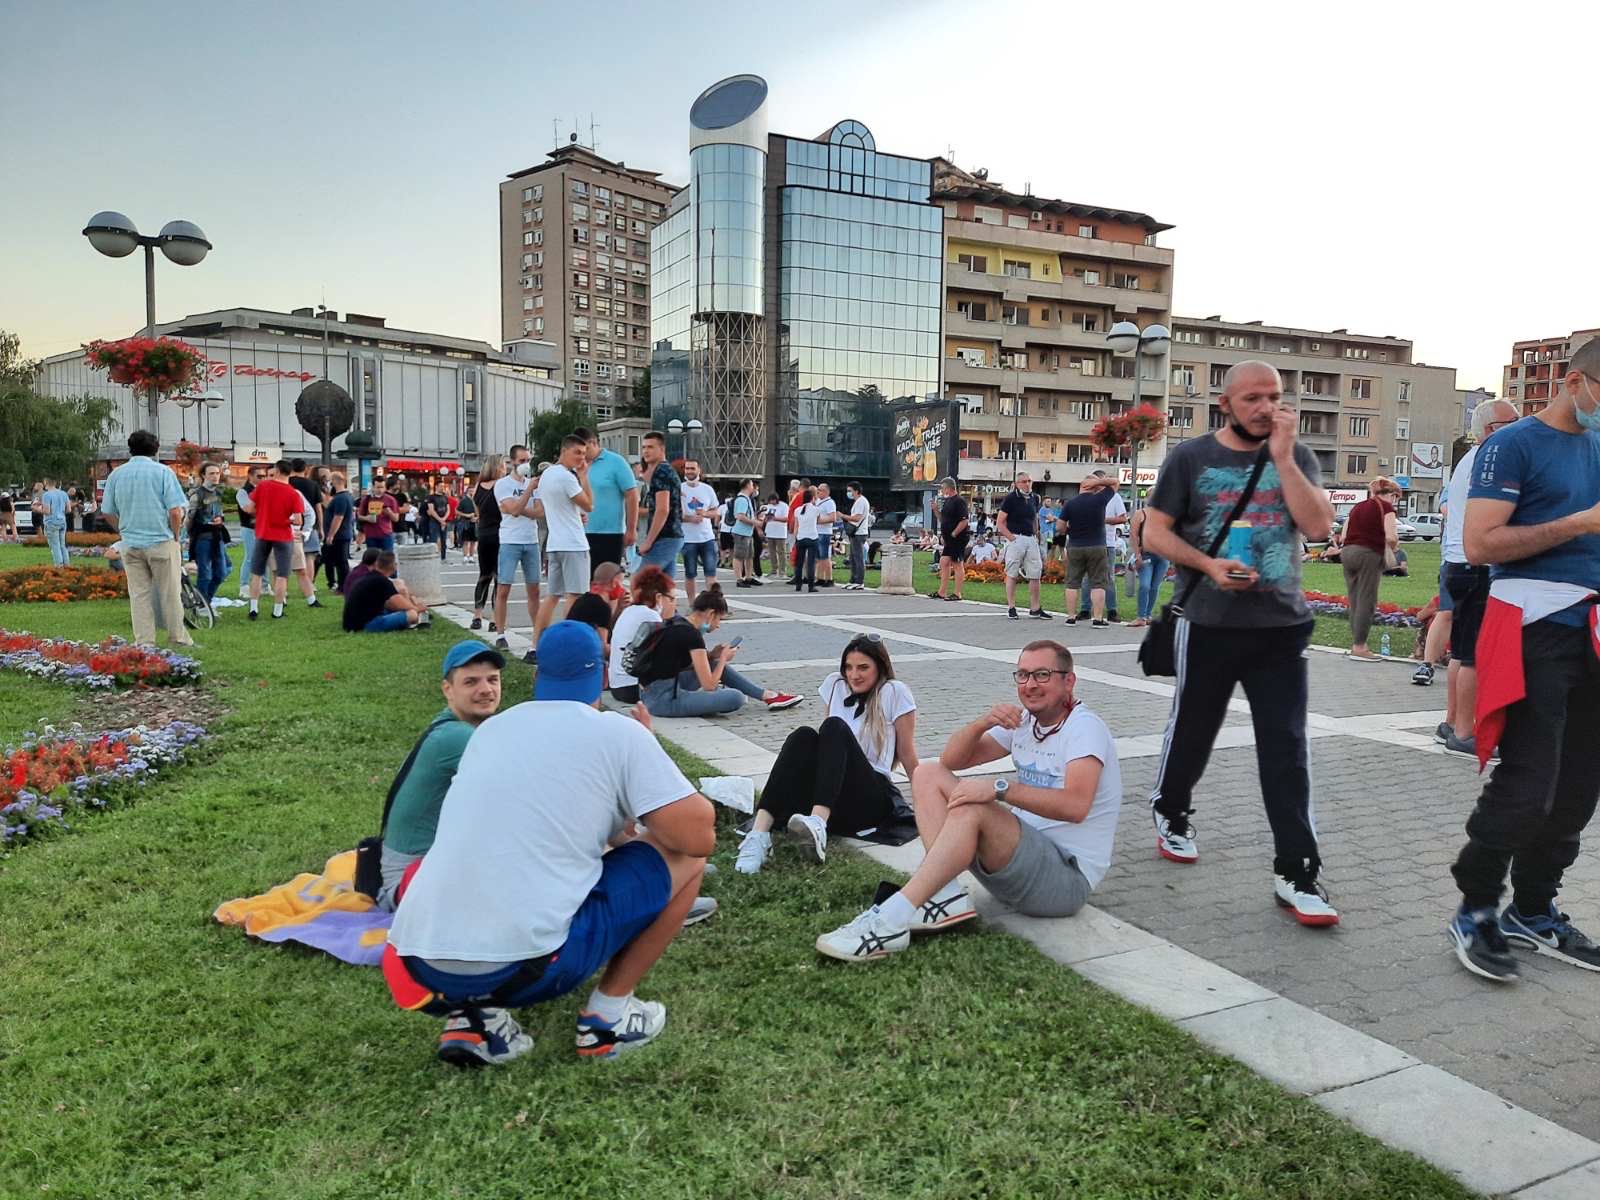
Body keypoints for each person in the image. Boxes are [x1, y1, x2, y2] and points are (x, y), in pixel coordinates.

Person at [383, 621, 715, 1067]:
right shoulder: (617, 732)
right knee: (684, 861)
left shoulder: (490, 733)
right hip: (528, 967)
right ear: (600, 676)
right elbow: (696, 836)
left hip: (421, 965)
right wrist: (650, 758)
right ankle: (607, 1020)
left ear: (538, 677)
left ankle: (477, 1020)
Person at [1141, 360, 1339, 926]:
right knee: (1194, 730)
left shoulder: (1295, 454)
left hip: (1280, 627)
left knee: (1286, 749)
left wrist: (1281, 456)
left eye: (1273, 396)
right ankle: (1172, 809)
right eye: (1251, 398)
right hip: (1207, 623)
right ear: (1224, 403)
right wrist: (1208, 563)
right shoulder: (1190, 458)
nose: (1264, 407)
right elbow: (1154, 531)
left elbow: (1321, 527)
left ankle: (1297, 870)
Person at [815, 641, 1122, 962]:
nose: (1030, 684)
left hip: (1065, 882)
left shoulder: (1084, 728)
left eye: (1043, 675)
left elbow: (1076, 807)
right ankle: (945, 895)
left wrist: (998, 788)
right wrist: (983, 723)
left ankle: (890, 919)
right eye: (1023, 675)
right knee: (927, 774)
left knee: (975, 806)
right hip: (1019, 866)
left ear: (1068, 681)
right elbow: (952, 759)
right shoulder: (1027, 723)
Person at [1447, 342, 1600, 983]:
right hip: (1533, 625)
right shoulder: (1512, 446)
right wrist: (1580, 524)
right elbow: (1482, 543)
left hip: (1593, 630)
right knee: (1530, 782)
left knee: (1579, 788)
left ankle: (1533, 911)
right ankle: (1477, 907)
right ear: (1574, 382)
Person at [735, 634, 917, 874]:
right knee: (804, 735)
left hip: (871, 797)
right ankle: (759, 835)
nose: (854, 675)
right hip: (835, 797)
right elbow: (829, 750)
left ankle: (818, 825)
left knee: (833, 727)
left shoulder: (895, 691)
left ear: (880, 667)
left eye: (863, 667)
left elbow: (907, 754)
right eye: (849, 668)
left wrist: (930, 802)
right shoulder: (835, 684)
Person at [373, 641, 506, 910]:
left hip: (414, 868)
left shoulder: (453, 725)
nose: (486, 690)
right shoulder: (457, 737)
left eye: (492, 680)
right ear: (448, 690)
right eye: (471, 682)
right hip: (410, 881)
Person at [1431, 400, 1520, 750]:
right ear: (1489, 429)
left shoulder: (1472, 459)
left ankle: (1453, 721)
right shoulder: (1491, 459)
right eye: (1511, 420)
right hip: (1477, 565)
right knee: (1474, 656)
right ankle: (1466, 733)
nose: (1519, 424)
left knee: (1463, 651)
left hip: (1460, 563)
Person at [635, 583, 799, 717]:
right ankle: (768, 696)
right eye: (719, 619)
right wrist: (723, 659)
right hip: (664, 701)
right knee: (736, 697)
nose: (719, 625)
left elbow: (674, 663)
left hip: (649, 693)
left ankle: (768, 695)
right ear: (711, 614)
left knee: (711, 662)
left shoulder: (677, 622)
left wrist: (712, 655)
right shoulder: (692, 636)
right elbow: (709, 685)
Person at [98, 432, 196, 648]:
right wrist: (176, 536)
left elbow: (107, 511)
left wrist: (122, 532)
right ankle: (178, 638)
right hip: (161, 540)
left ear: (130, 448)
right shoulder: (163, 472)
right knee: (170, 594)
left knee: (139, 595)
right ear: (155, 449)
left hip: (131, 543)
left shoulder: (116, 475)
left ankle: (144, 641)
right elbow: (175, 511)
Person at [534, 434, 594, 643]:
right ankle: (568, 642)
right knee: (575, 596)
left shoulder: (547, 475)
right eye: (577, 452)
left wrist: (576, 513)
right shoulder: (568, 477)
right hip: (573, 544)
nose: (581, 458)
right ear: (564, 451)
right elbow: (589, 504)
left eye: (584, 454)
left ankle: (536, 644)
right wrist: (584, 477)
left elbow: (558, 506)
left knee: (552, 596)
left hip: (555, 543)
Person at [1341, 477, 1402, 661]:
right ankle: (1360, 647)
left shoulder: (1357, 507)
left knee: (1354, 599)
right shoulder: (1387, 508)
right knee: (1367, 599)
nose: (1395, 501)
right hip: (1368, 554)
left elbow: (1343, 535)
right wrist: (1392, 547)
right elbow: (1391, 537)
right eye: (1396, 497)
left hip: (1347, 553)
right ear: (1391, 494)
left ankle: (1356, 643)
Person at [493, 445, 542, 663]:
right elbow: (511, 510)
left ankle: (537, 632)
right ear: (512, 462)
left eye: (527, 460)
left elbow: (539, 512)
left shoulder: (534, 484)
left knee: (534, 589)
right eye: (521, 460)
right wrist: (526, 495)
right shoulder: (503, 484)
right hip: (510, 540)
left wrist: (519, 508)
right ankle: (500, 633)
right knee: (504, 587)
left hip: (530, 540)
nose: (525, 464)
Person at [241, 460, 304, 622]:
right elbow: (298, 520)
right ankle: (277, 611)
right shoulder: (293, 493)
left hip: (262, 533)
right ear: (289, 473)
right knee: (282, 574)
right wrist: (285, 520)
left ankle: (253, 608)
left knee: (257, 573)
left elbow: (249, 508)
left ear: (276, 471)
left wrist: (262, 513)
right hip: (283, 536)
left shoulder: (263, 486)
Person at [1058, 475, 1121, 627]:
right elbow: (1115, 483)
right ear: (1093, 486)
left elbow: (1060, 527)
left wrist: (1070, 531)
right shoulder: (1100, 500)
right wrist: (1099, 482)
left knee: (1072, 583)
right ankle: (1098, 618)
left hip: (1075, 546)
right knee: (1098, 583)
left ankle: (1071, 617)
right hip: (1097, 545)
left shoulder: (1070, 504)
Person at [608, 565, 676, 705]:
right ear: (658, 597)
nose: (674, 604)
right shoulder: (651, 616)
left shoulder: (630, 611)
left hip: (618, 686)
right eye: (671, 599)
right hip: (634, 688)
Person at [576, 427, 638, 572]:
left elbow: (632, 495)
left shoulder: (616, 462)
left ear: (593, 442)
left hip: (610, 533)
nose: (582, 455)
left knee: (607, 581)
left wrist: (631, 529)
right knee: (583, 582)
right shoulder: (576, 465)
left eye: (584, 450)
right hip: (580, 532)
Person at [1073, 471, 1128, 623]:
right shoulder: (1086, 498)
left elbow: (1123, 518)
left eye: (1096, 483)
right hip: (1088, 542)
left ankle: (1112, 610)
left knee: (1108, 578)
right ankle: (1085, 609)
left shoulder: (1113, 497)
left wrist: (1104, 520)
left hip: (1107, 542)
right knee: (1086, 578)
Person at [998, 472, 1050, 621]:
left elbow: (1034, 517)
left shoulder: (1034, 498)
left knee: (1035, 572)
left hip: (1030, 538)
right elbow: (1000, 522)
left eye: (1029, 481)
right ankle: (1011, 607)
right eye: (1023, 481)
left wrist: (1036, 532)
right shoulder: (1011, 498)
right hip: (1016, 537)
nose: (1027, 484)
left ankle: (1035, 607)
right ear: (1017, 483)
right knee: (1012, 572)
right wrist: (1011, 539)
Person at [341, 550, 431, 633]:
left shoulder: (369, 577)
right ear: (393, 566)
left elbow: (391, 604)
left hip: (351, 623)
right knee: (412, 614)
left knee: (405, 611)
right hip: (365, 625)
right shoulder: (382, 581)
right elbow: (400, 603)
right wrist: (417, 609)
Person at [185, 462, 231, 604]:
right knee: (205, 574)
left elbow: (219, 513)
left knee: (222, 572)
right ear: (204, 475)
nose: (215, 476)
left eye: (217, 473)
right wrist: (186, 537)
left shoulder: (217, 493)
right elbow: (189, 518)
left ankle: (204, 600)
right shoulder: (196, 495)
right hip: (202, 538)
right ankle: (201, 604)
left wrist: (220, 519)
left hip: (217, 537)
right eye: (211, 473)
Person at [676, 459, 721, 603]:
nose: (689, 471)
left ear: (698, 470)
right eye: (687, 468)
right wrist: (689, 518)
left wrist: (705, 514)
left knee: (711, 572)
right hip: (688, 539)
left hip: (707, 537)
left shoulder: (707, 489)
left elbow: (716, 511)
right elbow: (675, 514)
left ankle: (712, 603)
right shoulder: (679, 489)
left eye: (692, 468)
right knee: (690, 573)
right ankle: (692, 603)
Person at [469, 455, 503, 632]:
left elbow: (478, 513)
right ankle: (494, 619)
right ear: (497, 467)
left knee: (484, 576)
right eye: (503, 465)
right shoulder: (502, 485)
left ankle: (477, 616)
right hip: (500, 534)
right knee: (499, 578)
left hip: (483, 534)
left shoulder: (477, 487)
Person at [1128, 504, 1169, 629]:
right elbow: (1134, 534)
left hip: (1162, 556)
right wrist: (1137, 554)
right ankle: (1141, 617)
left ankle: (1148, 615)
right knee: (1145, 585)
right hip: (1146, 555)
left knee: (1155, 587)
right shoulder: (1140, 514)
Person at [931, 477, 970, 602]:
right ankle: (942, 591)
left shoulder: (959, 501)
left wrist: (954, 533)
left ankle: (957, 593)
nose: (942, 490)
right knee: (944, 562)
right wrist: (936, 510)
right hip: (949, 538)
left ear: (948, 488)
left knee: (957, 563)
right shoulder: (948, 501)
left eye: (943, 488)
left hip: (958, 538)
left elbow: (964, 520)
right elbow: (943, 520)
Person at [322, 472, 355, 594]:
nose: (328, 483)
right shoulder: (345, 496)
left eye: (329, 481)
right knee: (336, 561)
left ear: (335, 481)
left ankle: (343, 587)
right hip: (342, 534)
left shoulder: (341, 498)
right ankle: (340, 585)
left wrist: (331, 535)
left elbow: (338, 517)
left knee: (341, 563)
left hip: (339, 536)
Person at [729, 478, 761, 588]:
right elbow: (740, 516)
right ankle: (739, 579)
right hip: (741, 532)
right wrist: (755, 522)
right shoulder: (742, 499)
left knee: (749, 555)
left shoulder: (746, 498)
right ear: (747, 485)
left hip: (748, 532)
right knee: (739, 556)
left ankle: (748, 577)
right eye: (752, 484)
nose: (753, 487)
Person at [842, 481, 872, 590]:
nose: (848, 493)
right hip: (855, 533)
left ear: (856, 491)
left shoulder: (861, 501)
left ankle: (859, 581)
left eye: (850, 491)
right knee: (853, 557)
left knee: (858, 558)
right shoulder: (858, 501)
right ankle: (853, 580)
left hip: (859, 533)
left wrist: (843, 516)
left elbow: (857, 518)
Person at [358, 476, 400, 554]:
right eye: (378, 487)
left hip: (386, 534)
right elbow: (359, 516)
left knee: (387, 559)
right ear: (373, 487)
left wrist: (389, 513)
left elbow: (396, 518)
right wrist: (367, 518)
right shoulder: (367, 499)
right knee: (373, 560)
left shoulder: (391, 500)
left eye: (382, 487)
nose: (380, 490)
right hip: (371, 535)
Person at [791, 487, 821, 592]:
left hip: (800, 537)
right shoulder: (816, 510)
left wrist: (795, 539)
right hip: (812, 537)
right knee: (811, 563)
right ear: (812, 498)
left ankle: (798, 585)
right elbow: (817, 521)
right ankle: (811, 586)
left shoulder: (797, 510)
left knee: (799, 563)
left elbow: (796, 527)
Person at [35, 476, 70, 566]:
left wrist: (36, 509)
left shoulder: (46, 495)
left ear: (46, 482)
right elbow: (68, 510)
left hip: (51, 522)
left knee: (55, 545)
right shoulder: (63, 493)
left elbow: (47, 511)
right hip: (62, 521)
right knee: (62, 545)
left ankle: (59, 565)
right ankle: (66, 564)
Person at [813, 483, 838, 588]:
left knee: (825, 556)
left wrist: (819, 521)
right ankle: (820, 577)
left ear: (827, 492)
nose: (818, 492)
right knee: (818, 557)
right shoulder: (818, 501)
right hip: (816, 531)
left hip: (824, 532)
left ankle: (829, 578)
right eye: (818, 490)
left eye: (821, 490)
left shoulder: (830, 503)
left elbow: (833, 518)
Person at [761, 492, 789, 580]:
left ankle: (783, 571)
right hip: (770, 532)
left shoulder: (784, 506)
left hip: (780, 533)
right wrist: (765, 519)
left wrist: (775, 518)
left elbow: (786, 519)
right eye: (770, 501)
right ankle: (774, 570)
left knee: (781, 552)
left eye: (773, 500)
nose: (771, 502)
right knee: (772, 552)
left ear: (776, 499)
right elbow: (764, 519)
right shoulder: (768, 506)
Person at [426, 483, 452, 562]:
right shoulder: (431, 497)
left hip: (443, 520)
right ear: (436, 487)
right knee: (434, 539)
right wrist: (440, 520)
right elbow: (431, 510)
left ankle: (443, 557)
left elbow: (448, 509)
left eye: (443, 486)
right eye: (440, 486)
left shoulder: (445, 497)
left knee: (443, 539)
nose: (442, 488)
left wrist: (444, 519)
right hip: (434, 521)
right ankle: (432, 556)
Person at [456, 484, 478, 563]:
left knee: (473, 541)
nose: (472, 492)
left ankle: (471, 557)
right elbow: (457, 511)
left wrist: (477, 518)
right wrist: (467, 515)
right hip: (465, 522)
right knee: (465, 540)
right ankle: (465, 556)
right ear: (468, 491)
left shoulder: (476, 500)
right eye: (471, 491)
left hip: (474, 522)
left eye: (473, 490)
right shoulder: (464, 501)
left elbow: (480, 511)